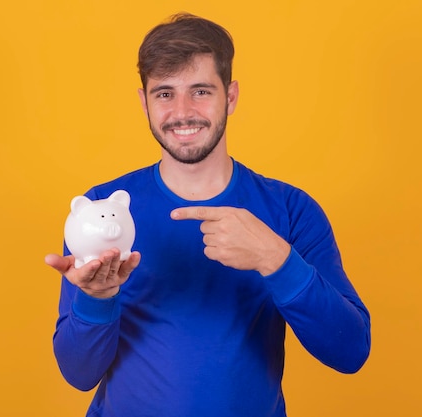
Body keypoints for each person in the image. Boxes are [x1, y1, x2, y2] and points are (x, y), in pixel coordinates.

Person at [45, 12, 371, 417]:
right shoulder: (101, 212)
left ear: (230, 97)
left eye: (200, 91)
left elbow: (351, 351)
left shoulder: (290, 209)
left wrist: (277, 259)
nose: (183, 111)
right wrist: (97, 298)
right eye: (164, 93)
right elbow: (78, 373)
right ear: (144, 101)